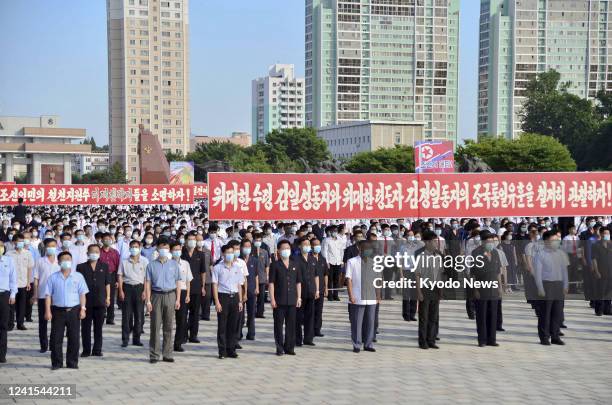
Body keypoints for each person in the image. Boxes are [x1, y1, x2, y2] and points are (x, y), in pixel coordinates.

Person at [45, 251, 88, 370]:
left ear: (71, 261)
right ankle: (57, 363)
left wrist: (83, 309)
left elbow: (82, 294)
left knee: (74, 338)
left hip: (74, 310)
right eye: (63, 259)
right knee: (55, 338)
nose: (66, 261)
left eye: (68, 259)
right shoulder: (53, 277)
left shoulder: (78, 276)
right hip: (57, 311)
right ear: (58, 262)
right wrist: (47, 311)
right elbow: (48, 295)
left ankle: (72, 362)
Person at [145, 239, 181, 363]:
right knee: (155, 326)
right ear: (157, 249)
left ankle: (167, 354)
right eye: (162, 247)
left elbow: (178, 282)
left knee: (169, 326)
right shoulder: (151, 265)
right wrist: (148, 301)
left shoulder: (174, 264)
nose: (164, 250)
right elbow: (148, 283)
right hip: (156, 296)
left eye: (166, 248)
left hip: (170, 295)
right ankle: (154, 355)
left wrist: (178, 299)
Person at [533, 231, 569, 345]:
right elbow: (537, 274)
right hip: (546, 285)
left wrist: (566, 285)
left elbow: (564, 271)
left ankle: (555, 336)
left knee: (557, 312)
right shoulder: (540, 255)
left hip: (558, 285)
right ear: (546, 241)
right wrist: (540, 288)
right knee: (545, 313)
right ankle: (544, 337)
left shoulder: (561, 254)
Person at [77, 244, 111, 357]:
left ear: (99, 253)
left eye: (96, 251)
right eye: (92, 251)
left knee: (98, 328)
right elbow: (78, 285)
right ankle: (86, 350)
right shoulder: (81, 267)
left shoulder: (104, 266)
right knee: (85, 328)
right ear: (87, 253)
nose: (94, 253)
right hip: (86, 301)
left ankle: (97, 349)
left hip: (100, 301)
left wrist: (108, 297)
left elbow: (107, 283)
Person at [346, 239, 379, 353]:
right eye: (365, 249)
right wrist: (351, 295)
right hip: (357, 296)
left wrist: (378, 295)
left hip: (371, 297)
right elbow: (348, 279)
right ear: (359, 249)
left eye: (369, 249)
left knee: (371, 322)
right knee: (356, 322)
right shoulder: (352, 261)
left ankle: (368, 344)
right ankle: (357, 344)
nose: (367, 251)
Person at [269, 240, 302, 356]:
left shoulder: (294, 264)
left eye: (288, 248)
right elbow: (271, 283)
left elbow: (298, 282)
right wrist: (272, 299)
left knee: (291, 325)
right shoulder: (275, 265)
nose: (286, 250)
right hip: (279, 301)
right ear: (278, 250)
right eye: (283, 248)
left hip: (292, 300)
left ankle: (290, 347)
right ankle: (279, 347)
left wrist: (299, 297)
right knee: (278, 325)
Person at [471, 232, 502, 347]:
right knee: (481, 315)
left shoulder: (495, 253)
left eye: (492, 241)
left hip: (493, 287)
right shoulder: (476, 253)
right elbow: (473, 274)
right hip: (481, 288)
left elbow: (498, 271)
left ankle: (491, 339)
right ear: (483, 242)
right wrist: (475, 289)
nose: (491, 244)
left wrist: (500, 287)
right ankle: (482, 340)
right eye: (488, 241)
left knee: (493, 315)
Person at [212, 244, 243, 359]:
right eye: (228, 252)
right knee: (222, 325)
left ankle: (231, 349)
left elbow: (239, 285)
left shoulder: (237, 268)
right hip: (223, 297)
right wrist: (217, 302)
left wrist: (240, 300)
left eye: (232, 252)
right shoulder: (217, 268)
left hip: (234, 297)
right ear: (223, 254)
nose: (230, 254)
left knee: (233, 325)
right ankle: (222, 350)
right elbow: (215, 285)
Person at [414, 231, 444, 350]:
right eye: (433, 241)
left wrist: (441, 290)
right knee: (424, 317)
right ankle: (423, 341)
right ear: (426, 242)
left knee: (434, 316)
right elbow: (417, 275)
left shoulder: (438, 256)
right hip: (425, 288)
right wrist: (419, 292)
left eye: (436, 241)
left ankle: (431, 340)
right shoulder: (421, 256)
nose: (436, 243)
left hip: (436, 288)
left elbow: (440, 274)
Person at [118, 240, 148, 347]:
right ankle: (125, 339)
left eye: (136, 246)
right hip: (127, 288)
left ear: (140, 248)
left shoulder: (145, 261)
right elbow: (120, 276)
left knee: (139, 315)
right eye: (132, 247)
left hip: (139, 288)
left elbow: (146, 278)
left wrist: (145, 291)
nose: (134, 249)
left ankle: (137, 338)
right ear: (129, 248)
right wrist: (121, 290)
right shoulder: (124, 261)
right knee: (126, 315)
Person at [32, 238, 60, 353]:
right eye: (49, 246)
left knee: (56, 322)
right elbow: (36, 279)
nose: (51, 248)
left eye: (53, 246)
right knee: (43, 321)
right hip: (43, 295)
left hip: (57, 296)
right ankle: (44, 345)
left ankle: (54, 344)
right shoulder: (40, 261)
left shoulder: (60, 260)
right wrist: (35, 294)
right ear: (45, 247)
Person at [181, 232, 207, 343]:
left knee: (195, 313)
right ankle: (183, 335)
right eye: (190, 239)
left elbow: (203, 272)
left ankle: (193, 335)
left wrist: (203, 286)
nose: (192, 241)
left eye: (194, 239)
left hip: (196, 287)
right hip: (183, 287)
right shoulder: (181, 254)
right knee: (182, 314)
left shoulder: (200, 254)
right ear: (186, 241)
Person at [295, 237, 319, 347]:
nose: (307, 246)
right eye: (305, 244)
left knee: (310, 316)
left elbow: (316, 276)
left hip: (311, 291)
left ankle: (308, 338)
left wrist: (317, 290)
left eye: (308, 244)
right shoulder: (295, 259)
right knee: (298, 317)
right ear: (300, 246)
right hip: (300, 293)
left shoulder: (313, 259)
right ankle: (297, 339)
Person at [7, 233, 33, 331]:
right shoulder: (9, 254)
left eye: (22, 241)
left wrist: (28, 282)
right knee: (11, 305)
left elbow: (29, 268)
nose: (20, 243)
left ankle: (20, 323)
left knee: (22, 305)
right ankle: (10, 324)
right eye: (18, 241)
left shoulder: (28, 253)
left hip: (23, 283)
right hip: (11, 284)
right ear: (14, 242)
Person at [172, 242, 192, 352]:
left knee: (182, 319)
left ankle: (178, 343)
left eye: (178, 249)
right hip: (170, 292)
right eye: (174, 249)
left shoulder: (185, 264)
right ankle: (167, 341)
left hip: (183, 292)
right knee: (169, 319)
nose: (177, 252)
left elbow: (188, 280)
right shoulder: (168, 263)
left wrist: (188, 294)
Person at [0, 240, 17, 363]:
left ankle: (1, 354)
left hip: (4, 294)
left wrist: (13, 294)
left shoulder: (8, 260)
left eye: (1, 246)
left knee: (3, 325)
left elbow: (13, 278)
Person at [99, 233, 120, 325]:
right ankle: (102, 315)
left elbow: (118, 266)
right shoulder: (98, 251)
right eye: (105, 239)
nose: (107, 240)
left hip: (112, 275)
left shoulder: (115, 252)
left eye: (109, 239)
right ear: (102, 240)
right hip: (101, 274)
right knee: (101, 295)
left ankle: (110, 318)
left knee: (110, 296)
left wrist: (117, 280)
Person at [240, 240, 259, 340]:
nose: (247, 248)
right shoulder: (238, 260)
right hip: (240, 290)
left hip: (251, 289)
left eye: (249, 246)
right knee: (240, 313)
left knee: (251, 313)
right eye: (245, 246)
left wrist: (257, 287)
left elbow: (256, 275)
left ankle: (251, 334)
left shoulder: (254, 260)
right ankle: (238, 333)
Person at [591, 227, 612, 316]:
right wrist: (596, 271)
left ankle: (607, 309)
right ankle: (599, 310)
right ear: (601, 234)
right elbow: (594, 259)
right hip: (601, 271)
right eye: (605, 233)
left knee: (609, 291)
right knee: (600, 291)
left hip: (610, 271)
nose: (607, 235)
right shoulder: (596, 245)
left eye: (608, 233)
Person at [322, 226, 344, 301]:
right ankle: (330, 295)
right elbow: (324, 251)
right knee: (330, 279)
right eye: (333, 230)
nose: (335, 232)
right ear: (330, 232)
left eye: (336, 230)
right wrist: (326, 262)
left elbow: (341, 251)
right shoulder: (326, 240)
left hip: (338, 262)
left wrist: (341, 261)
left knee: (336, 279)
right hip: (330, 262)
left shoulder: (339, 240)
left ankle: (336, 295)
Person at [311, 237, 328, 337]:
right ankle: (310, 330)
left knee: (319, 310)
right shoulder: (309, 258)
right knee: (311, 311)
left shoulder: (322, 259)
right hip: (311, 289)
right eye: (315, 245)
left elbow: (326, 274)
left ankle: (317, 329)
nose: (317, 247)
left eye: (319, 245)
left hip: (321, 289)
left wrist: (326, 287)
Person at [253, 233, 270, 319]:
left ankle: (260, 313)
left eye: (259, 240)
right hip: (252, 278)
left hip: (262, 277)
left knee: (262, 297)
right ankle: (253, 312)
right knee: (253, 298)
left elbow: (267, 265)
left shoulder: (265, 252)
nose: (258, 242)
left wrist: (267, 276)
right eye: (256, 240)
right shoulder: (251, 251)